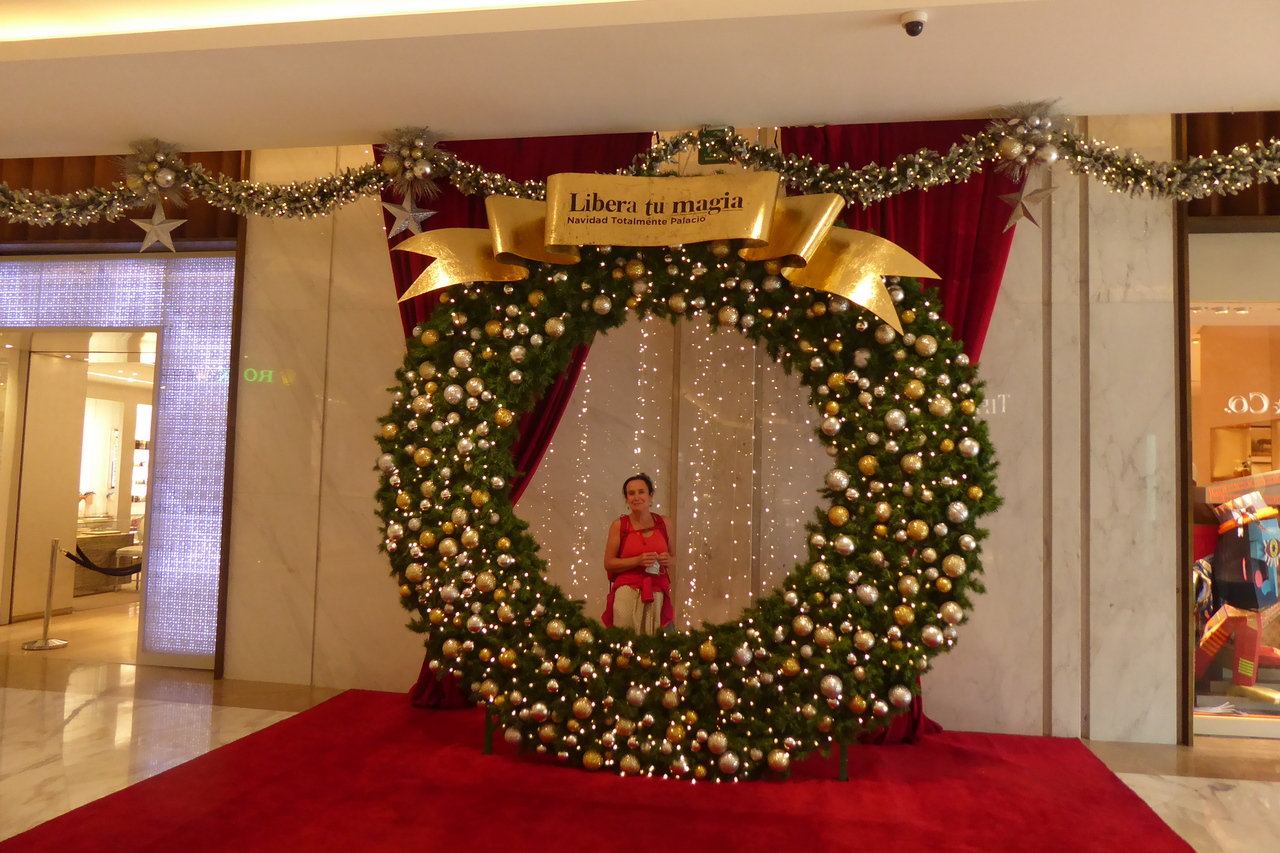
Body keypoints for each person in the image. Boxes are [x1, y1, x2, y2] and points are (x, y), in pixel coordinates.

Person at [602, 473, 674, 634]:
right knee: (626, 647)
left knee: (657, 646)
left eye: (641, 492)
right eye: (631, 493)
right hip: (627, 593)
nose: (636, 497)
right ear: (626, 499)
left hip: (657, 593)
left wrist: (668, 560)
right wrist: (637, 561)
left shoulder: (664, 523)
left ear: (651, 496)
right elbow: (608, 563)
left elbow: (674, 558)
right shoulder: (619, 525)